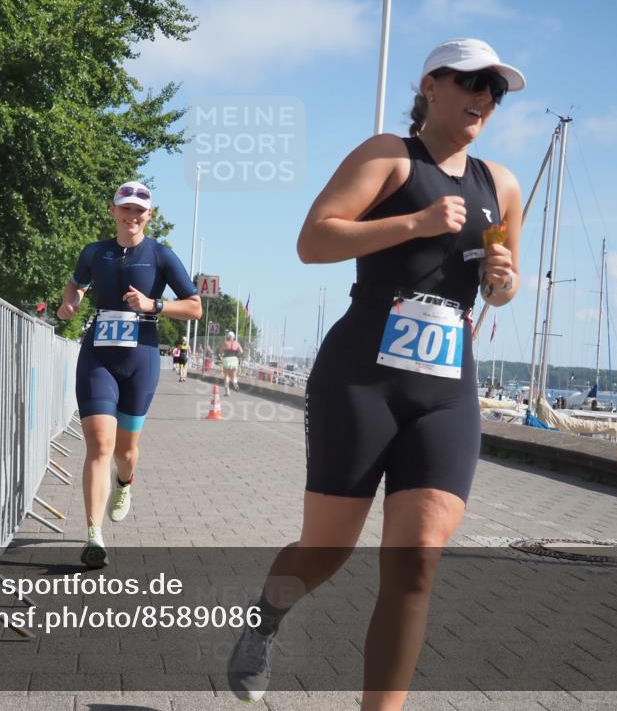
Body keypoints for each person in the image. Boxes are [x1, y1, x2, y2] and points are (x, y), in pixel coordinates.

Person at [227, 38, 524, 709]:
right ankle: (267, 616)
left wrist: (503, 281)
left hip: (446, 389)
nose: (484, 97)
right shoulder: (389, 156)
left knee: (416, 562)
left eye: (495, 90)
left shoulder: (500, 184)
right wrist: (415, 222)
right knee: (326, 551)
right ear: (431, 85)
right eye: (472, 82)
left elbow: (502, 288)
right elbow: (313, 241)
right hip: (362, 379)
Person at [58, 181, 202, 568]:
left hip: (141, 359)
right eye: (125, 208)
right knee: (99, 445)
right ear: (113, 210)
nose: (132, 215)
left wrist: (154, 305)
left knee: (124, 453)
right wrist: (69, 303)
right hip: (98, 356)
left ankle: (124, 482)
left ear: (149, 215)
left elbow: (194, 307)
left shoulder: (161, 255)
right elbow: (77, 285)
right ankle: (94, 536)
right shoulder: (95, 252)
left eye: (139, 210)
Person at [220, 330, 243, 395]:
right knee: (234, 375)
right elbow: (241, 351)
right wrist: (237, 354)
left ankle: (227, 391)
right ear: (234, 337)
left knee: (226, 375)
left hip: (226, 359)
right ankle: (235, 384)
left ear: (228, 337)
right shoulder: (237, 343)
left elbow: (221, 351)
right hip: (234, 359)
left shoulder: (225, 343)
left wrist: (223, 353)